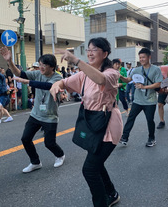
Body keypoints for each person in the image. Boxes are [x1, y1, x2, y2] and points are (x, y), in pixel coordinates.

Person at [50, 37, 122, 207]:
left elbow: (101, 80)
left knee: (89, 169)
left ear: (105, 54)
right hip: (92, 123)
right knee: (96, 163)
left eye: (94, 49)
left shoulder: (111, 73)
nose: (90, 52)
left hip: (108, 125)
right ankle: (111, 193)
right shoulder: (83, 74)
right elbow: (64, 82)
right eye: (88, 49)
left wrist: (76, 60)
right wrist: (56, 85)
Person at [0, 47, 65, 173]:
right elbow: (20, 74)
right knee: (25, 138)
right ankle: (35, 162)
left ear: (52, 67)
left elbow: (48, 86)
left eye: (44, 65)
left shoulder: (58, 78)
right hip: (36, 114)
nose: (40, 67)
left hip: (50, 115)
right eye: (39, 64)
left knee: (49, 143)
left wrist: (27, 82)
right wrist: (10, 62)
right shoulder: (38, 74)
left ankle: (60, 155)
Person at [119, 48, 163, 147]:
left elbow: (158, 84)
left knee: (150, 120)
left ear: (149, 57)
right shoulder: (137, 70)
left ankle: (151, 139)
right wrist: (121, 77)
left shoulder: (156, 69)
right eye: (140, 57)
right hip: (138, 100)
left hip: (150, 101)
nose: (141, 59)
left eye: (143, 57)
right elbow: (128, 80)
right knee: (131, 118)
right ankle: (124, 137)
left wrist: (144, 87)